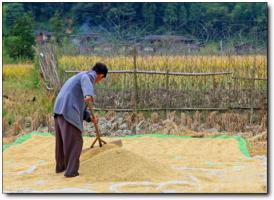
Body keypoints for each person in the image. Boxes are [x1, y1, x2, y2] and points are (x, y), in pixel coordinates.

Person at [53, 62, 108, 177]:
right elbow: (86, 80)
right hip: (68, 110)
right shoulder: (87, 76)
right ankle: (71, 172)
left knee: (63, 142)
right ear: (101, 75)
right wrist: (89, 94)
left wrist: (89, 117)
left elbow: (80, 105)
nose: (99, 81)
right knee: (75, 141)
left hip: (59, 109)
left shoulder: (77, 77)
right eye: (101, 79)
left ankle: (61, 167)